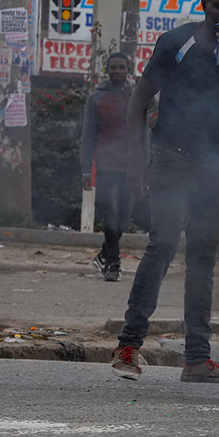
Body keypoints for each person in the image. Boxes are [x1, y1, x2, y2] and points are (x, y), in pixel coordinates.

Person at [111, 0, 219, 383]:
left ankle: (197, 360)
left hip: (214, 164)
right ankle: (128, 348)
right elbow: (138, 103)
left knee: (202, 256)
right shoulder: (175, 42)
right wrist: (136, 160)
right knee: (162, 243)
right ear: (204, 4)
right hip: (170, 157)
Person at [81, 52, 138, 282]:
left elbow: (145, 128)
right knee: (112, 218)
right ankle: (113, 264)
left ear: (128, 69)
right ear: (107, 70)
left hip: (131, 167)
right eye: (113, 67)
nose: (117, 71)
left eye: (121, 67)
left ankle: (104, 254)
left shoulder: (136, 96)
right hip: (106, 166)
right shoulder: (96, 98)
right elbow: (88, 135)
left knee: (124, 217)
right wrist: (86, 169)